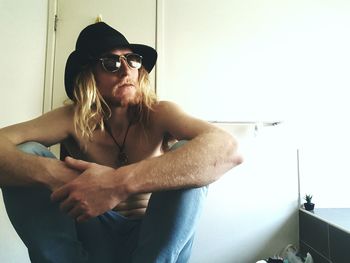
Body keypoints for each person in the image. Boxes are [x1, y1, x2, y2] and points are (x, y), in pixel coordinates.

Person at [0, 22, 242, 263]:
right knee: (25, 153)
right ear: (88, 76)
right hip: (92, 242)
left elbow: (227, 148)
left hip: (155, 247)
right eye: (111, 63)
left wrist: (118, 183)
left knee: (191, 151)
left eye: (132, 60)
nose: (126, 71)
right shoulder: (71, 119)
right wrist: (57, 176)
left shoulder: (159, 113)